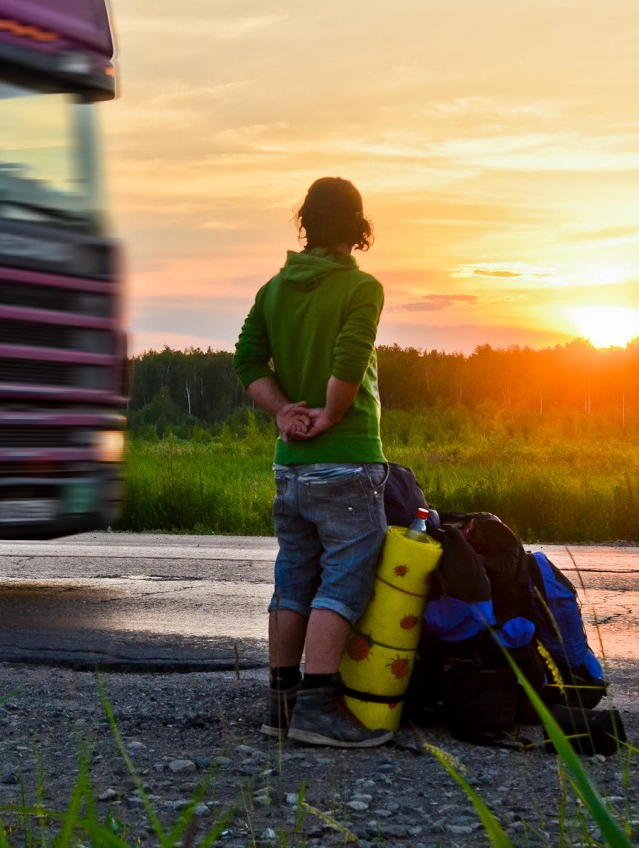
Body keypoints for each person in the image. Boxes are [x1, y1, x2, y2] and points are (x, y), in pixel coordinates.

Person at [233, 177, 390, 748]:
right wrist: (328, 414)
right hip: (344, 458)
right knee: (344, 579)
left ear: (306, 222)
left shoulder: (275, 289)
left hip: (289, 464)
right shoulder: (362, 288)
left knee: (294, 576)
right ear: (357, 226)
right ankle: (320, 707)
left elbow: (248, 357)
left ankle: (281, 702)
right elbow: (350, 359)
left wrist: (281, 413)